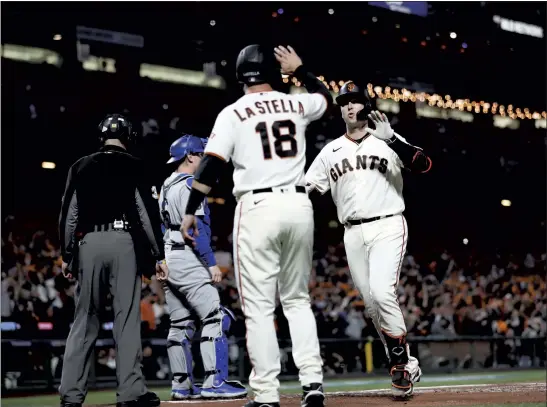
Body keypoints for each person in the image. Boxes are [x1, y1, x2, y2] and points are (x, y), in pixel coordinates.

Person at [181, 44, 333, 407]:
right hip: (298, 203)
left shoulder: (233, 112)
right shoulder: (295, 102)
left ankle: (266, 395)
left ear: (240, 75)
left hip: (258, 205)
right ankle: (312, 384)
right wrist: (300, 71)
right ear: (272, 72)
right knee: (297, 300)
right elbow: (327, 100)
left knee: (260, 308)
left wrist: (190, 209)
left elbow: (211, 166)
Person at [305, 82, 431, 398]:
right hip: (352, 232)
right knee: (372, 306)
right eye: (344, 102)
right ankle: (407, 362)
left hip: (388, 223)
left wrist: (392, 141)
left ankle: (399, 364)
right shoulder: (330, 151)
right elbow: (305, 188)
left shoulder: (386, 138)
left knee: (381, 292)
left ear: (367, 106)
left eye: (355, 101)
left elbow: (424, 164)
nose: (349, 107)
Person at [58, 114, 166, 407]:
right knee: (127, 319)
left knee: (84, 320)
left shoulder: (79, 165)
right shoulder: (135, 165)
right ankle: (131, 394)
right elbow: (145, 213)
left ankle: (70, 395)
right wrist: (158, 255)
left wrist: (67, 254)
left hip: (89, 243)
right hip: (123, 243)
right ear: (128, 137)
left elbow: (70, 215)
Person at [158, 134, 247, 400]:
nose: (206, 159)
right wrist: (211, 263)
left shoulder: (166, 184)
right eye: (202, 155)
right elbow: (197, 229)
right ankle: (214, 382)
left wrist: (161, 258)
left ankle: (181, 386)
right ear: (190, 157)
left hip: (169, 256)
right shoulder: (189, 185)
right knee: (216, 318)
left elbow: (162, 225)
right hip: (188, 257)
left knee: (180, 323)